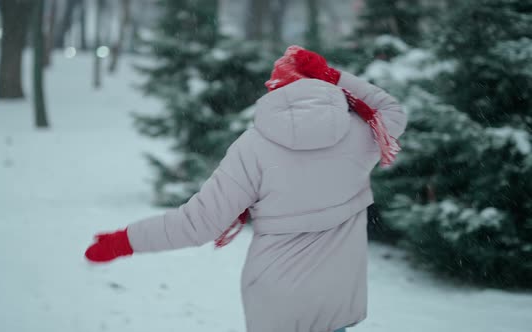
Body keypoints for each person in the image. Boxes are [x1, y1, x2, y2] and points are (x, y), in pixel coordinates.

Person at [84, 45, 407, 332]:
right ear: (322, 86)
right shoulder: (361, 135)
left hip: (275, 298)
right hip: (335, 296)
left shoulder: (253, 147)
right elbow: (392, 110)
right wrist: (333, 75)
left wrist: (124, 241)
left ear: (276, 91)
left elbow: (198, 223)